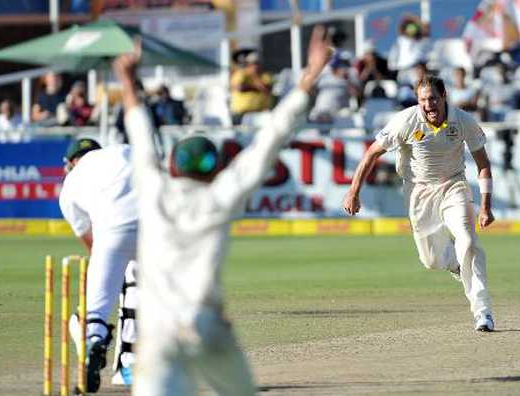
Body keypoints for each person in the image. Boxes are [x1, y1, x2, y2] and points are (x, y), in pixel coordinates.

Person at [113, 25, 332, 395]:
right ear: (215, 170)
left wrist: (128, 82)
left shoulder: (153, 189)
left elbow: (140, 135)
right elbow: (270, 139)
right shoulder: (221, 195)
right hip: (206, 324)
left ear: (173, 166)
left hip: (160, 332)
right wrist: (310, 75)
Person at [343, 74, 496, 332]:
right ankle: (455, 264)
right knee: (432, 261)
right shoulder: (406, 120)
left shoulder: (463, 120)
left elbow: (483, 164)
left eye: (433, 99)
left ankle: (483, 312)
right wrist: (353, 192)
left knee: (468, 242)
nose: (429, 105)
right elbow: (371, 155)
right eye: (423, 100)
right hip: (418, 192)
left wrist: (485, 206)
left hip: (454, 186)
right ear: (417, 100)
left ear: (444, 96)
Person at [59, 138, 138, 392]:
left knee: (96, 311)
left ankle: (93, 336)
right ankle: (129, 365)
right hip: (153, 221)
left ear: (72, 162)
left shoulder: (71, 184)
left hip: (110, 235)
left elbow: (91, 243)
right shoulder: (120, 152)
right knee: (140, 287)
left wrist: (112, 270)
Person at [230, 51, 274, 125]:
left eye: (257, 63)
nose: (255, 66)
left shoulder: (265, 75)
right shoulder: (241, 74)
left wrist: (254, 81)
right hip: (241, 113)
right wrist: (258, 87)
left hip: (262, 113)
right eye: (253, 63)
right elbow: (240, 88)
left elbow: (268, 89)